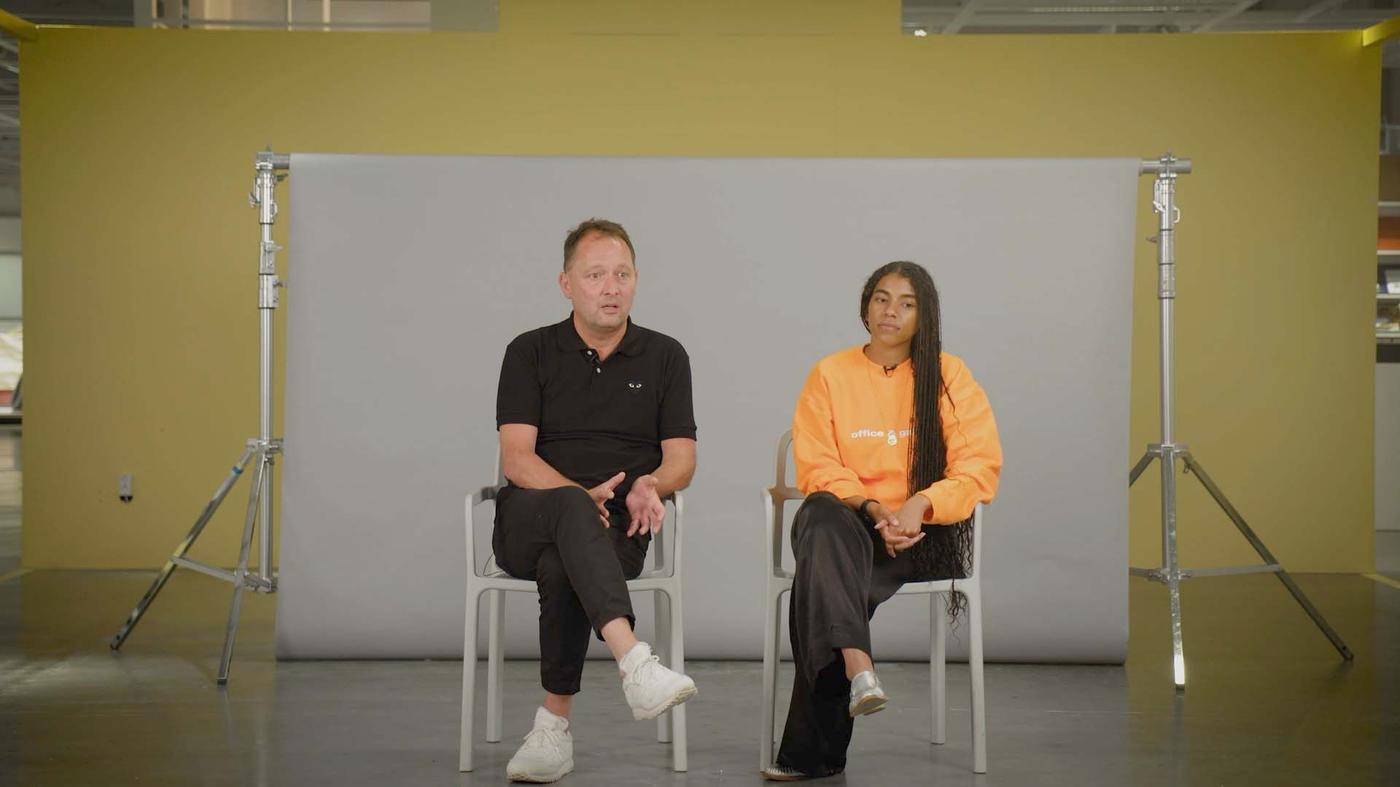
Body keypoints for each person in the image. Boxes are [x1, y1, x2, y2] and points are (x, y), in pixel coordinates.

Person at [764, 261, 1003, 781]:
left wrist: (917, 506)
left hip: (920, 537)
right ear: (865, 305)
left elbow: (978, 467)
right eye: (881, 298)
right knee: (822, 513)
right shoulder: (830, 373)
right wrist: (873, 510)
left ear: (925, 315)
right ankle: (859, 667)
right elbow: (820, 466)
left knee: (819, 581)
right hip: (850, 524)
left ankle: (814, 754)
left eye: (907, 302)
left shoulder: (948, 374)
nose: (890, 311)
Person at [493, 218, 699, 783]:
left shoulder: (665, 356)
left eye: (622, 274)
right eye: (595, 275)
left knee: (566, 563)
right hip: (529, 516)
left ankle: (551, 730)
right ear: (566, 283)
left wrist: (650, 483)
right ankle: (635, 662)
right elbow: (516, 459)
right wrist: (578, 496)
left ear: (636, 281)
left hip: (617, 529)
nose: (611, 288)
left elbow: (682, 458)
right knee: (568, 508)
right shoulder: (529, 351)